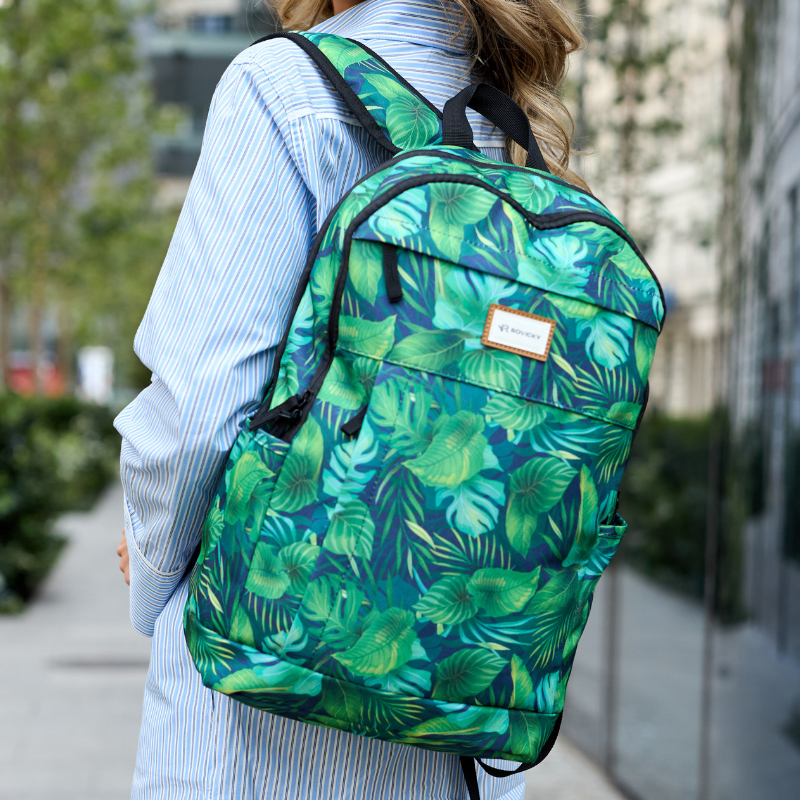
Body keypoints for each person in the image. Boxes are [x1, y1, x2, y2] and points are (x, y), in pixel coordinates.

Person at [115, 0, 584, 797]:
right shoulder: (516, 120)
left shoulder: (283, 86)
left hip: (263, 709)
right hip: (463, 730)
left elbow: (200, 413)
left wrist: (151, 563)